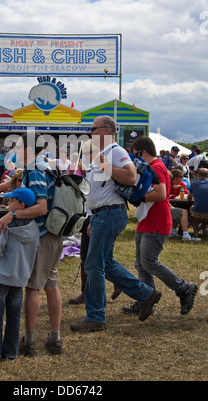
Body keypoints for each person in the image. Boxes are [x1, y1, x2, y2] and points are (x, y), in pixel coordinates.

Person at [70, 116, 161, 333]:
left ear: (106, 130)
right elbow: (97, 191)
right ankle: (146, 294)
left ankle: (96, 316)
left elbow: (130, 177)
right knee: (105, 263)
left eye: (93, 129)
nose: (90, 132)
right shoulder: (102, 155)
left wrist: (105, 165)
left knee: (93, 265)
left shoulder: (115, 151)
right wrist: (91, 217)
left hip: (110, 214)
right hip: (103, 215)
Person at [0, 132, 63, 356]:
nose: (15, 152)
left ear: (28, 149)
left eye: (18, 147)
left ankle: (30, 341)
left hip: (42, 236)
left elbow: (41, 207)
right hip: (55, 233)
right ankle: (55, 338)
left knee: (33, 287)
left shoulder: (35, 171)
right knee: (51, 285)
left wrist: (12, 214)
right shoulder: (47, 166)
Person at [122, 136, 198, 317]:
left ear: (143, 152)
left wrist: (138, 197)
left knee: (148, 262)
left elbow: (161, 194)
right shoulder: (155, 166)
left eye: (135, 155)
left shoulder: (156, 167)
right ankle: (146, 300)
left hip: (157, 220)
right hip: (148, 220)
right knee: (141, 264)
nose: (134, 159)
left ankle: (184, 287)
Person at [0, 187, 40, 362]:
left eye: (11, 200)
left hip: (1, 275)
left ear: (21, 205)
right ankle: (11, 351)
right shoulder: (35, 228)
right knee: (14, 316)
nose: (8, 202)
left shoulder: (5, 225)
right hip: (20, 276)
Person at [68, 139, 121, 305]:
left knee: (94, 258)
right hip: (92, 214)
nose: (84, 157)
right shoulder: (92, 166)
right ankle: (87, 292)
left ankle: (92, 293)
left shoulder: (99, 166)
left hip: (97, 216)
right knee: (92, 256)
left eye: (86, 153)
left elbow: (98, 194)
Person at [188, 168, 208, 238]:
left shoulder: (194, 184)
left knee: (192, 209)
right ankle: (203, 228)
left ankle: (196, 231)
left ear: (198, 175)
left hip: (198, 212)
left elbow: (189, 198)